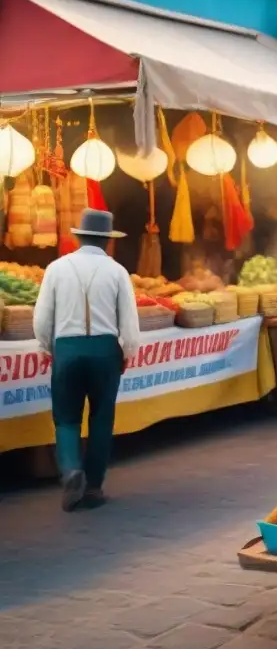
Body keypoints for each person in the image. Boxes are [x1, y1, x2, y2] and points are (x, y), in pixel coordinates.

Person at [34, 209, 141, 512]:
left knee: (66, 417)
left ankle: (71, 470)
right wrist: (128, 351)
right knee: (101, 419)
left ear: (80, 237)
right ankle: (93, 487)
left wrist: (45, 346)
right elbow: (129, 323)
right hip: (105, 351)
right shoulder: (117, 271)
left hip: (66, 349)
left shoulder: (56, 268)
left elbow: (42, 317)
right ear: (107, 241)